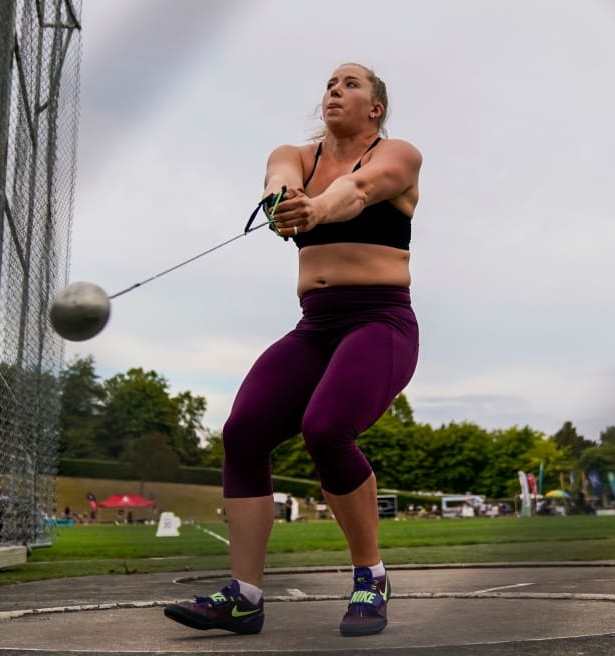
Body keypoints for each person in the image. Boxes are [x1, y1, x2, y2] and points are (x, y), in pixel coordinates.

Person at [164, 62, 422, 637]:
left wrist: (316, 209)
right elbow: (278, 182)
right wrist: (282, 202)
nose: (335, 90)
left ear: (375, 107)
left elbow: (356, 191)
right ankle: (245, 597)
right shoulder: (295, 155)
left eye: (351, 84)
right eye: (331, 83)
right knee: (244, 431)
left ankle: (370, 577)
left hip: (381, 322)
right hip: (316, 326)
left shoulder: (398, 154)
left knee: (326, 427)